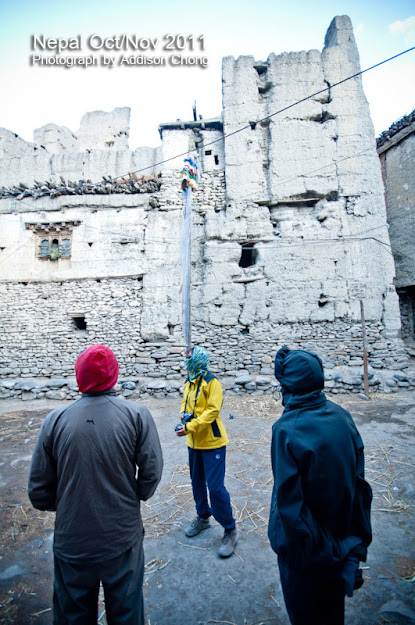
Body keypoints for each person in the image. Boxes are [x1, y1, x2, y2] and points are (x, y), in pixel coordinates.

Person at [28, 344, 163, 625]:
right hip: (121, 537)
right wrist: (131, 497)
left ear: (79, 376)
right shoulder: (136, 415)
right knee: (127, 614)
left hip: (72, 540)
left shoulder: (54, 420)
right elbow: (151, 472)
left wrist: (71, 502)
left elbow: (38, 492)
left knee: (72, 616)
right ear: (113, 375)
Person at [268, 346, 372, 625]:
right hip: (341, 538)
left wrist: (325, 553)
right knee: (332, 615)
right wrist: (350, 548)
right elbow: (360, 485)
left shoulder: (287, 429)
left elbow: (291, 508)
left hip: (308, 553)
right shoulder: (341, 416)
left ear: (287, 386)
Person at [175, 346, 237, 557]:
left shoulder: (213, 382)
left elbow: (212, 412)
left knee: (216, 487)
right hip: (194, 443)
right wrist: (183, 418)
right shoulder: (188, 382)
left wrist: (190, 427)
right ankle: (203, 518)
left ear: (200, 360)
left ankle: (230, 529)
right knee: (197, 483)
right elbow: (185, 406)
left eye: (190, 359)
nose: (187, 363)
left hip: (212, 443)